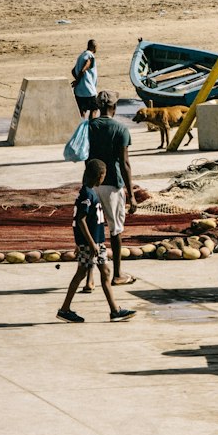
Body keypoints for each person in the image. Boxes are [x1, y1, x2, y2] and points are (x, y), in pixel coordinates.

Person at [56, 158, 136, 323]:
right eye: (103, 176)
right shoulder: (87, 194)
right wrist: (89, 244)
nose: (104, 179)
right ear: (99, 176)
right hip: (91, 244)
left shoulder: (91, 192)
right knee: (81, 273)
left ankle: (115, 310)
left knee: (105, 272)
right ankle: (64, 309)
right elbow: (80, 220)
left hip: (96, 242)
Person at [87, 91, 138, 287]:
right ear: (114, 108)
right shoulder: (121, 129)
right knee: (115, 230)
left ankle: (90, 279)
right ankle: (117, 274)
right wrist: (131, 194)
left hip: (91, 185)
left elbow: (84, 154)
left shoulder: (89, 127)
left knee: (92, 230)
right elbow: (124, 163)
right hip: (112, 185)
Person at [71, 39, 98, 118]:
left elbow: (73, 71)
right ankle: (91, 128)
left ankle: (83, 128)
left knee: (82, 112)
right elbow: (84, 68)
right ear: (95, 47)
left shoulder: (81, 56)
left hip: (79, 91)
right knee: (94, 109)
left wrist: (77, 81)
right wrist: (78, 80)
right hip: (88, 90)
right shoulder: (90, 55)